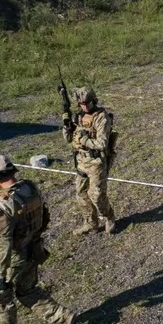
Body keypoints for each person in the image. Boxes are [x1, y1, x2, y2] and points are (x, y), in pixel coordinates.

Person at [0, 154, 75, 324]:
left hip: (13, 257)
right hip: (32, 248)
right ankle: (62, 316)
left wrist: (0, 274)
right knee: (27, 290)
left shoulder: (2, 205)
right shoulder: (29, 188)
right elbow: (45, 216)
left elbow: (3, 243)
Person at [62, 86, 119, 235]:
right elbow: (69, 140)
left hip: (96, 163)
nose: (85, 106)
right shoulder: (78, 117)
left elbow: (102, 144)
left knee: (97, 195)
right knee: (81, 194)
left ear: (93, 100)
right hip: (81, 161)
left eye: (88, 103)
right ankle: (90, 223)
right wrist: (67, 128)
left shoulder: (102, 117)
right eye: (82, 104)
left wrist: (84, 139)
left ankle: (109, 217)